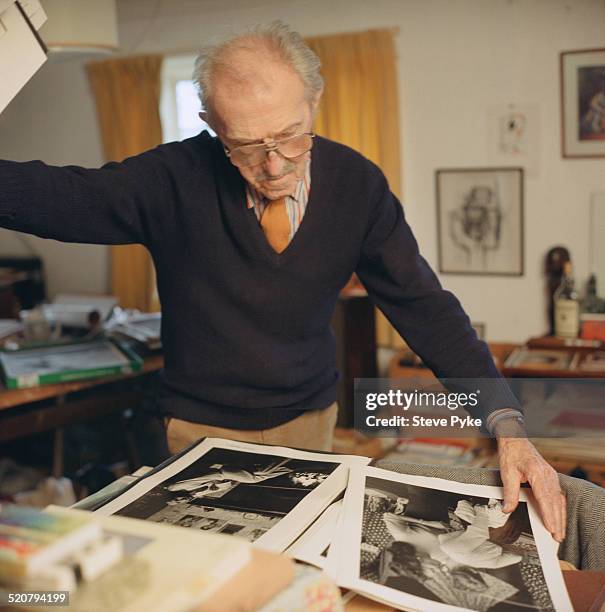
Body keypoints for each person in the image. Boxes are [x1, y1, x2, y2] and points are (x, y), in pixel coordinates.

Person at [0, 22, 565, 541]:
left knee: (300, 565)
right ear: (212, 127)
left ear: (314, 102)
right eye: (246, 146)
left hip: (310, 419)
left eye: (291, 135)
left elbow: (424, 306)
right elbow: (64, 198)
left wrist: (507, 424)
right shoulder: (172, 178)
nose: (274, 165)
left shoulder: (357, 186)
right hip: (199, 428)